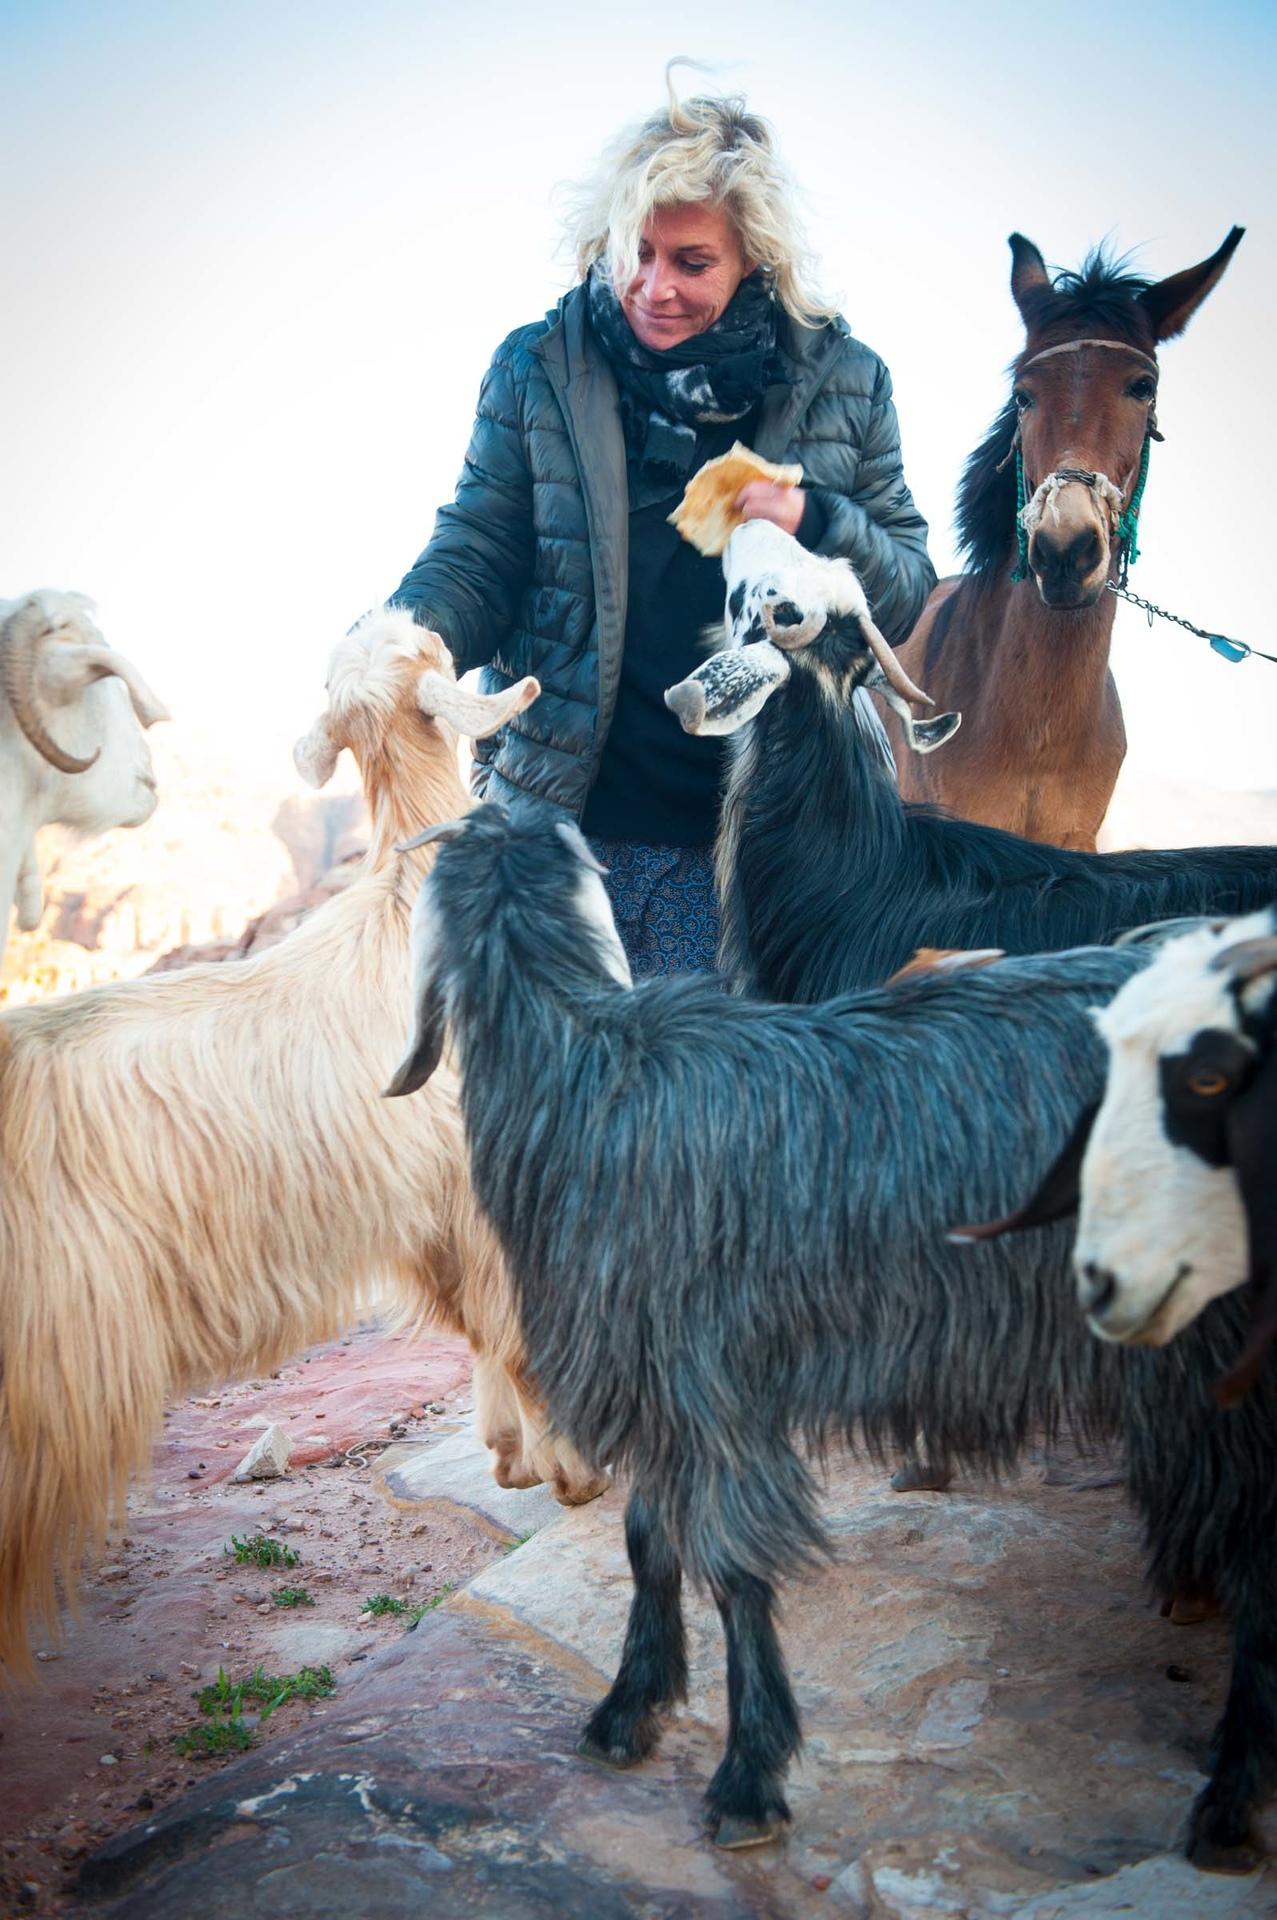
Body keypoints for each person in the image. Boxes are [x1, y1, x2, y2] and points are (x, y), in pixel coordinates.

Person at [390, 78, 936, 976]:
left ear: (751, 261)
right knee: (554, 1110)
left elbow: (906, 591)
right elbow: (480, 547)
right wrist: (404, 636)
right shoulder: (539, 368)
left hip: (758, 858)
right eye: (635, 253)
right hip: (560, 831)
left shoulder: (844, 379)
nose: (654, 288)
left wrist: (818, 517)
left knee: (731, 1114)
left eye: (692, 262)